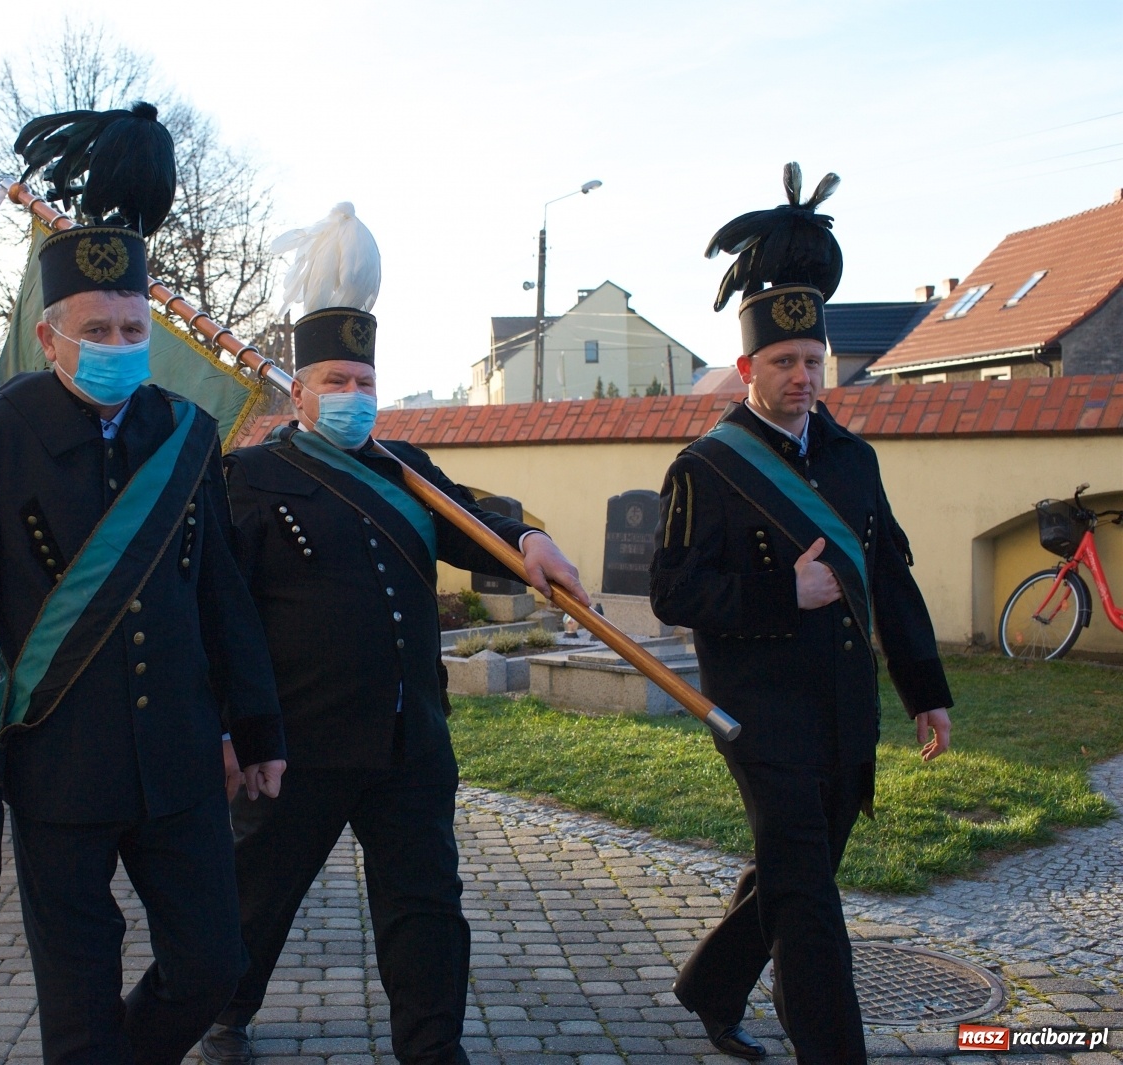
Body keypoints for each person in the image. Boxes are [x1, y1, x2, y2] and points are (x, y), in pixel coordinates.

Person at [0, 102, 287, 1064]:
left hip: (178, 761)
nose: (121, 342)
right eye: (98, 328)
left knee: (212, 964)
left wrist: (256, 726)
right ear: (50, 336)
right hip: (58, 763)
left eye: (133, 326)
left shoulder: (189, 434)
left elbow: (221, 596)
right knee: (77, 1004)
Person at [202, 205, 589, 1065]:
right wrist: (230, 724)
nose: (352, 397)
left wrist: (530, 538)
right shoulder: (250, 477)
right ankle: (223, 1004)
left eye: (363, 382)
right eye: (334, 381)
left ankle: (432, 1046)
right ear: (297, 391)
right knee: (258, 896)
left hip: (410, 737)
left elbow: (476, 520)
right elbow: (217, 615)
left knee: (425, 907)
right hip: (294, 741)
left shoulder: (407, 468)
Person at [650, 164, 954, 1064]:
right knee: (813, 914)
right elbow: (673, 591)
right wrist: (785, 593)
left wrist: (925, 690)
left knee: (796, 875)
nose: (802, 378)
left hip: (843, 710)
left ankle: (709, 985)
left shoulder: (855, 461)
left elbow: (888, 580)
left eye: (814, 361)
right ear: (747, 367)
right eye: (784, 363)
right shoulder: (706, 468)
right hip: (759, 712)